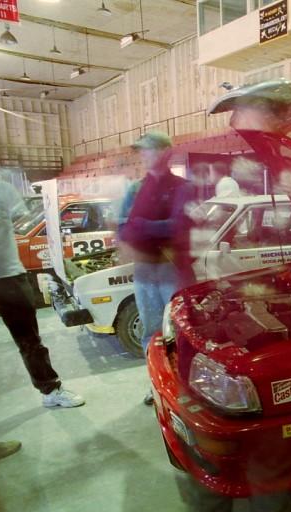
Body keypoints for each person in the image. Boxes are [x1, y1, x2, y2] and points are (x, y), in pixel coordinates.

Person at [0, 129, 83, 428]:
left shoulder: (1, 189)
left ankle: (51, 390)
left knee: (31, 341)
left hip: (9, 276)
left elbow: (22, 220)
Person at [117, 131, 196, 405]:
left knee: (181, 330)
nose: (144, 155)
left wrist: (140, 226)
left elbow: (178, 226)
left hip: (171, 269)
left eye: (148, 150)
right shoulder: (135, 189)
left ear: (165, 152)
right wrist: (139, 228)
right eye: (142, 151)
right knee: (150, 330)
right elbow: (123, 227)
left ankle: (185, 386)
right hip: (145, 271)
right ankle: (157, 384)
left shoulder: (183, 187)